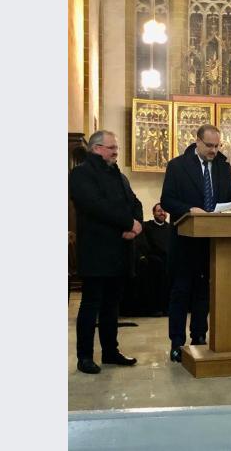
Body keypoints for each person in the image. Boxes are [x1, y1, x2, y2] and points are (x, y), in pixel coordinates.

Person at [161, 124, 231, 362]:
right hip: (185, 241)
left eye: (217, 146)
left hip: (212, 243)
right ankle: (177, 343)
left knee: (203, 294)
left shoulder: (223, 168)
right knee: (181, 292)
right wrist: (189, 209)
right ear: (197, 141)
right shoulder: (177, 166)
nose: (213, 150)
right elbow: (167, 200)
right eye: (209, 145)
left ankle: (199, 337)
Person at [69, 130, 143, 374]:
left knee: (112, 306)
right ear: (97, 148)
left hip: (120, 251)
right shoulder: (80, 174)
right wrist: (126, 224)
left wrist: (136, 225)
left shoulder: (119, 176)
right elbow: (94, 206)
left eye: (116, 148)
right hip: (96, 251)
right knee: (91, 305)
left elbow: (135, 203)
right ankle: (85, 356)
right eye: (112, 148)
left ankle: (110, 351)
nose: (116, 152)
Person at [135, 203, 171, 316]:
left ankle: (167, 307)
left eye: (164, 211)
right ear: (154, 213)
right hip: (152, 259)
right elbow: (142, 245)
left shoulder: (170, 228)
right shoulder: (146, 226)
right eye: (159, 211)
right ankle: (154, 308)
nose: (162, 213)